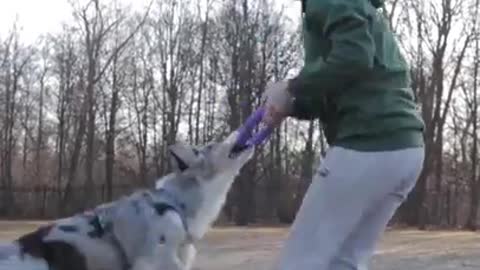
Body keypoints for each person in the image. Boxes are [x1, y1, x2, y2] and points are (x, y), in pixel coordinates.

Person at [261, 0, 425, 269]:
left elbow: (354, 57)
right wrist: (291, 105)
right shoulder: (350, 8)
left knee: (300, 261)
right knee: (344, 261)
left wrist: (293, 86)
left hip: (369, 143)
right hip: (404, 148)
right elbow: (339, 80)